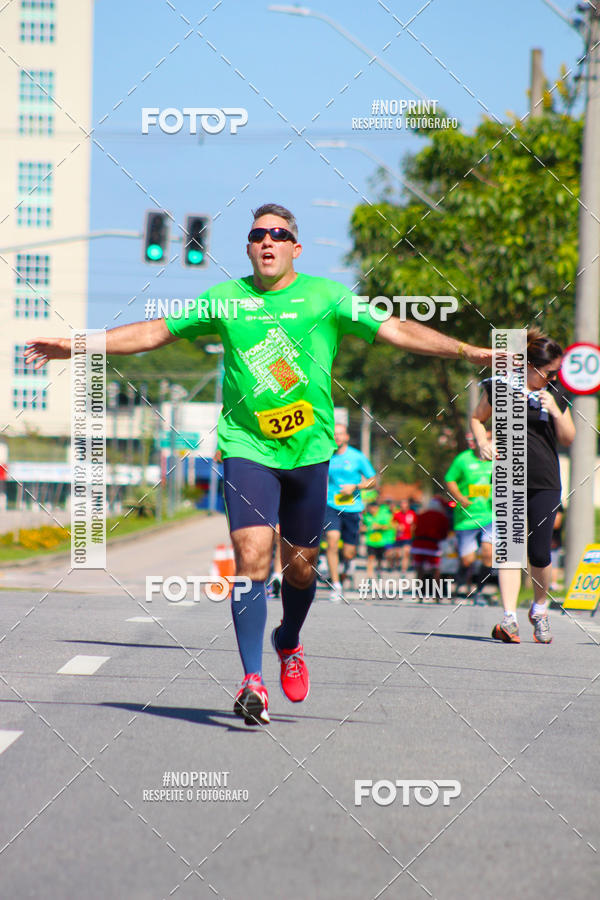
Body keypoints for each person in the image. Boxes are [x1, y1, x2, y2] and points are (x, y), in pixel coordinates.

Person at [26, 202, 494, 725]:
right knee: (252, 557)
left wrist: (466, 351)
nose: (267, 242)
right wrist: (79, 345)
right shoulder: (226, 300)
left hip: (310, 452)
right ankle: (252, 680)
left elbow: (396, 331)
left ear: (295, 247)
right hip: (246, 448)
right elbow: (155, 332)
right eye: (257, 235)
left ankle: (288, 640)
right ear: (249, 248)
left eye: (278, 234)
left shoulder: (326, 296)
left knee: (300, 567)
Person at [472, 327, 575, 644]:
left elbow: (569, 438)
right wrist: (482, 444)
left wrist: (555, 411)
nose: (554, 378)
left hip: (546, 481)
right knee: (509, 550)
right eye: (549, 372)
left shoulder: (555, 394)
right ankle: (509, 618)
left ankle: (539, 609)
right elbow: (478, 418)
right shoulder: (498, 387)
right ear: (530, 367)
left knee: (540, 553)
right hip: (508, 476)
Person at [324, 423, 376, 603]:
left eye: (340, 434)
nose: (337, 437)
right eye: (334, 434)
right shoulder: (325, 455)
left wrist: (356, 486)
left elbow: (373, 480)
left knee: (348, 552)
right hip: (330, 505)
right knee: (332, 540)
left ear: (346, 436)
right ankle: (336, 585)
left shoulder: (357, 457)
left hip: (352, 508)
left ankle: (347, 565)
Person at [444, 431, 493, 605]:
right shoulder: (463, 459)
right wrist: (460, 497)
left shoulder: (498, 459)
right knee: (468, 560)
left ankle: (479, 592)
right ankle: (460, 587)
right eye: (472, 440)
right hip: (466, 518)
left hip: (490, 516)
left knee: (489, 553)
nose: (474, 443)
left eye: (482, 439)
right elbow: (449, 479)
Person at [411, 497, 451, 599]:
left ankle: (419, 593)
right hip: (433, 545)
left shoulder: (421, 515)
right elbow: (444, 533)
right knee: (436, 570)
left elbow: (415, 529)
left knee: (419, 570)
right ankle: (436, 594)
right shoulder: (442, 517)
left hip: (418, 544)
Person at [363, 499, 396, 579]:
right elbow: (362, 527)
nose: (372, 510)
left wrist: (378, 526)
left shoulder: (383, 515)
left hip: (381, 541)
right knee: (370, 558)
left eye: (374, 508)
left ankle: (379, 569)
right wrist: (366, 528)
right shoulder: (366, 516)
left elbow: (388, 526)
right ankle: (369, 576)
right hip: (370, 541)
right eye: (371, 508)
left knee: (379, 559)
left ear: (377, 508)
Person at [388, 498, 416, 574]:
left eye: (405, 505)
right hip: (399, 537)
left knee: (406, 553)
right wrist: (397, 526)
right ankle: (395, 565)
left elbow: (415, 523)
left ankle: (404, 570)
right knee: (398, 554)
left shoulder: (412, 513)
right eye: (402, 505)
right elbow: (392, 523)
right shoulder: (397, 514)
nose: (403, 507)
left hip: (408, 537)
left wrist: (413, 527)